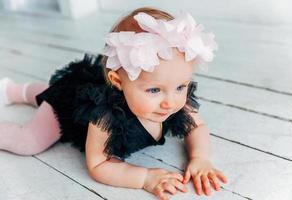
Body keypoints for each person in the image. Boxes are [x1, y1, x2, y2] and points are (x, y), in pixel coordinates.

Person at [0, 7, 227, 200]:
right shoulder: (105, 116)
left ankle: (13, 89)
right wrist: (144, 177)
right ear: (118, 81)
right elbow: (98, 165)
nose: (171, 101)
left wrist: (200, 158)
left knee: (55, 91)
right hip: (66, 110)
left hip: (83, 89)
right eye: (154, 90)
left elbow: (197, 127)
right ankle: (15, 91)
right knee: (30, 139)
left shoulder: (176, 102)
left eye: (180, 86)